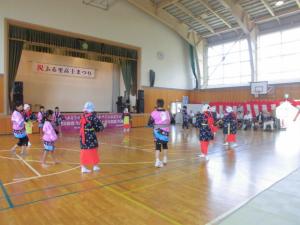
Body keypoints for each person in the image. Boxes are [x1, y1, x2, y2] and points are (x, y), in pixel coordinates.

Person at [80, 102, 104, 173]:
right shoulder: (93, 117)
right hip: (91, 136)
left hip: (83, 136)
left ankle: (83, 167)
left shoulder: (82, 116)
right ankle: (95, 166)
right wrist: (103, 126)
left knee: (84, 151)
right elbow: (98, 128)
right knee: (94, 150)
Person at [148, 99, 171, 168]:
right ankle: (165, 158)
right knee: (165, 145)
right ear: (163, 104)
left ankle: (157, 161)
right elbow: (171, 121)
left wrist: (155, 125)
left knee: (157, 146)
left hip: (157, 131)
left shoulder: (154, 113)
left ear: (157, 104)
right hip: (166, 131)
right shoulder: (167, 112)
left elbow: (149, 123)